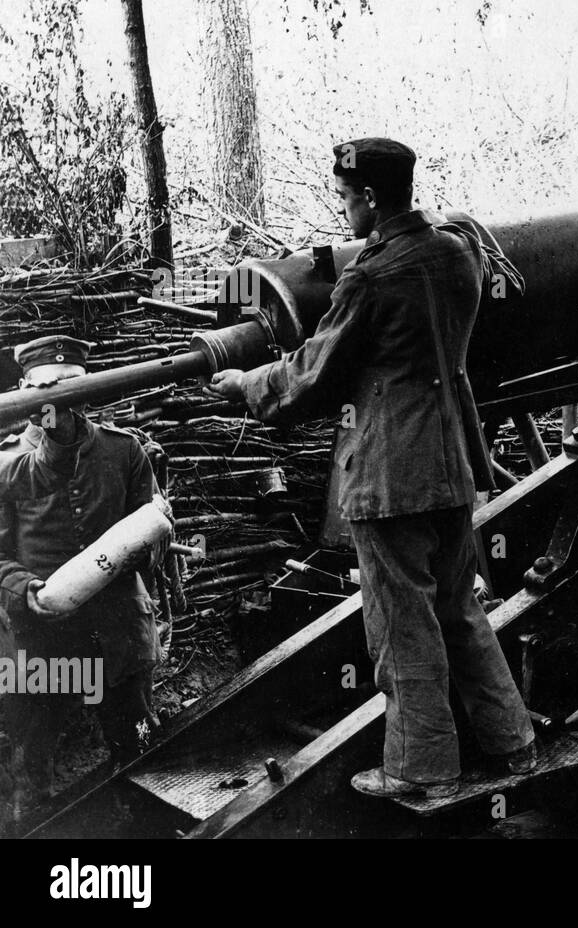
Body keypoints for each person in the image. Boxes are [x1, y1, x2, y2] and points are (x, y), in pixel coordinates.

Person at [205, 137, 535, 801]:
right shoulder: (457, 251)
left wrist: (243, 383)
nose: (343, 211)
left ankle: (420, 769)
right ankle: (513, 743)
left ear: (373, 198)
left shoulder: (371, 275)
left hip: (391, 473)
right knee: (457, 608)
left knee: (400, 624)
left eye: (346, 198)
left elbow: (310, 377)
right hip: (452, 463)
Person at [0, 336, 166, 828]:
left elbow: (151, 534)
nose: (58, 402)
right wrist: (25, 591)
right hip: (42, 638)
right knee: (32, 760)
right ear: (26, 392)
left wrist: (143, 543)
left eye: (72, 388)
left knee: (137, 746)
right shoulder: (6, 465)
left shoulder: (124, 450)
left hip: (117, 633)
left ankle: (144, 827)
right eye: (45, 391)